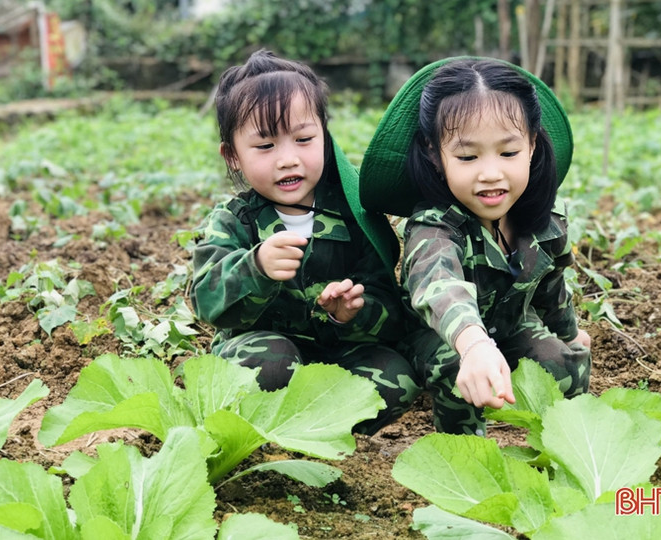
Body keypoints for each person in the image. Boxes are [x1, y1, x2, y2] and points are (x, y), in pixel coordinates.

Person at [189, 50, 420, 434]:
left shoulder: (355, 215)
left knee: (397, 376)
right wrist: (256, 267)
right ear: (232, 156)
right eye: (265, 146)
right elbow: (205, 300)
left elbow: (391, 311)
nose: (288, 159)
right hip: (266, 349)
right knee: (271, 362)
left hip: (340, 352)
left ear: (325, 140)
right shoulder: (233, 221)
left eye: (304, 139)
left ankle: (324, 432)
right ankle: (276, 432)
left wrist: (350, 313)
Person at [358, 57, 591, 436]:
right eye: (467, 157)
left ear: (532, 145)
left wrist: (567, 335)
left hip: (509, 325)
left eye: (508, 152)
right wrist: (474, 345)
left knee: (563, 362)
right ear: (436, 155)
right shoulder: (433, 227)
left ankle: (563, 444)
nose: (490, 173)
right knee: (456, 365)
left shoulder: (546, 223)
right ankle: (467, 454)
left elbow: (551, 289)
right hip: (439, 337)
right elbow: (439, 288)